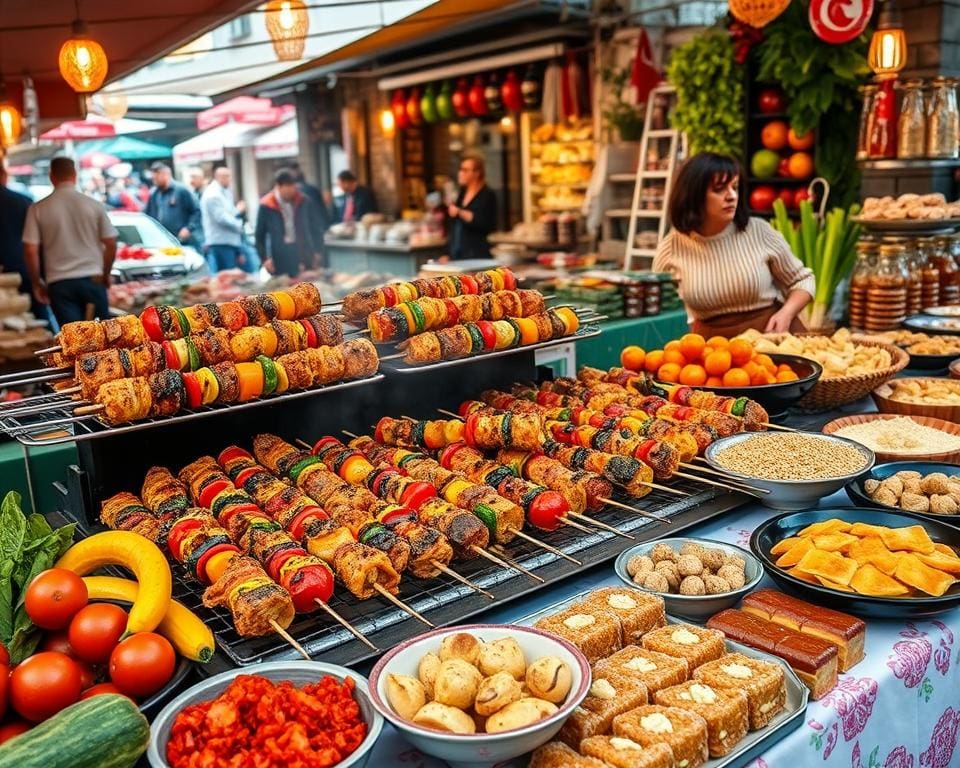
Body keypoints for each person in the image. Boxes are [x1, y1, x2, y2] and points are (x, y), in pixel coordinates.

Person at [652, 152, 814, 337]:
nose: (731, 196)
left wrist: (787, 313)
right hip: (714, 353)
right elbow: (659, 312)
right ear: (694, 195)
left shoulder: (759, 231)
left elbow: (803, 280)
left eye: (735, 187)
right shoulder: (671, 248)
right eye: (719, 189)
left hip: (773, 339)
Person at [21, 157, 117, 325]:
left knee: (73, 343)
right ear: (75, 175)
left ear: (51, 176)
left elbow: (30, 250)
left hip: (60, 284)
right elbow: (110, 242)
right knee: (103, 341)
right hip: (93, 280)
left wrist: (37, 283)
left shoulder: (38, 209)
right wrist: (105, 274)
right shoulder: (94, 205)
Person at [255, 168, 322, 278]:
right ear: (278, 186)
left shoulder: (303, 201)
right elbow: (259, 235)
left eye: (293, 188)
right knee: (285, 290)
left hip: (303, 253)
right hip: (280, 256)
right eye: (288, 189)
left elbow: (315, 228)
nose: (292, 192)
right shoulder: (266, 205)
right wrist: (264, 259)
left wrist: (318, 251)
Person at [0, 164, 46, 321]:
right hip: (22, 267)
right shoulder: (23, 201)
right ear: (4, 175)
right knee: (37, 317)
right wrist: (39, 277)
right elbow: (36, 243)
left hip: (8, 269)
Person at [448, 154, 497, 261]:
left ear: (477, 173)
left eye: (465, 170)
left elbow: (486, 223)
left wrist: (460, 212)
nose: (460, 173)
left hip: (477, 255)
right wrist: (447, 253)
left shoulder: (487, 194)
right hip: (457, 254)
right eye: (460, 169)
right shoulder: (462, 193)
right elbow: (454, 226)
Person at [144, 162, 201, 247]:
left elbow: (196, 211)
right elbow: (149, 216)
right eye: (153, 178)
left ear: (166, 174)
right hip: (162, 241)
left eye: (156, 177)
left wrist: (188, 228)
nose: (154, 180)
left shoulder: (181, 190)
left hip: (182, 240)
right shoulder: (154, 194)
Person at [200, 166, 245, 272]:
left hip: (229, 240)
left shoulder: (224, 192)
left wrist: (237, 211)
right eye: (227, 176)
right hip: (220, 242)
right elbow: (221, 218)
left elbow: (229, 212)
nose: (229, 179)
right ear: (219, 177)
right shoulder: (212, 194)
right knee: (227, 275)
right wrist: (239, 224)